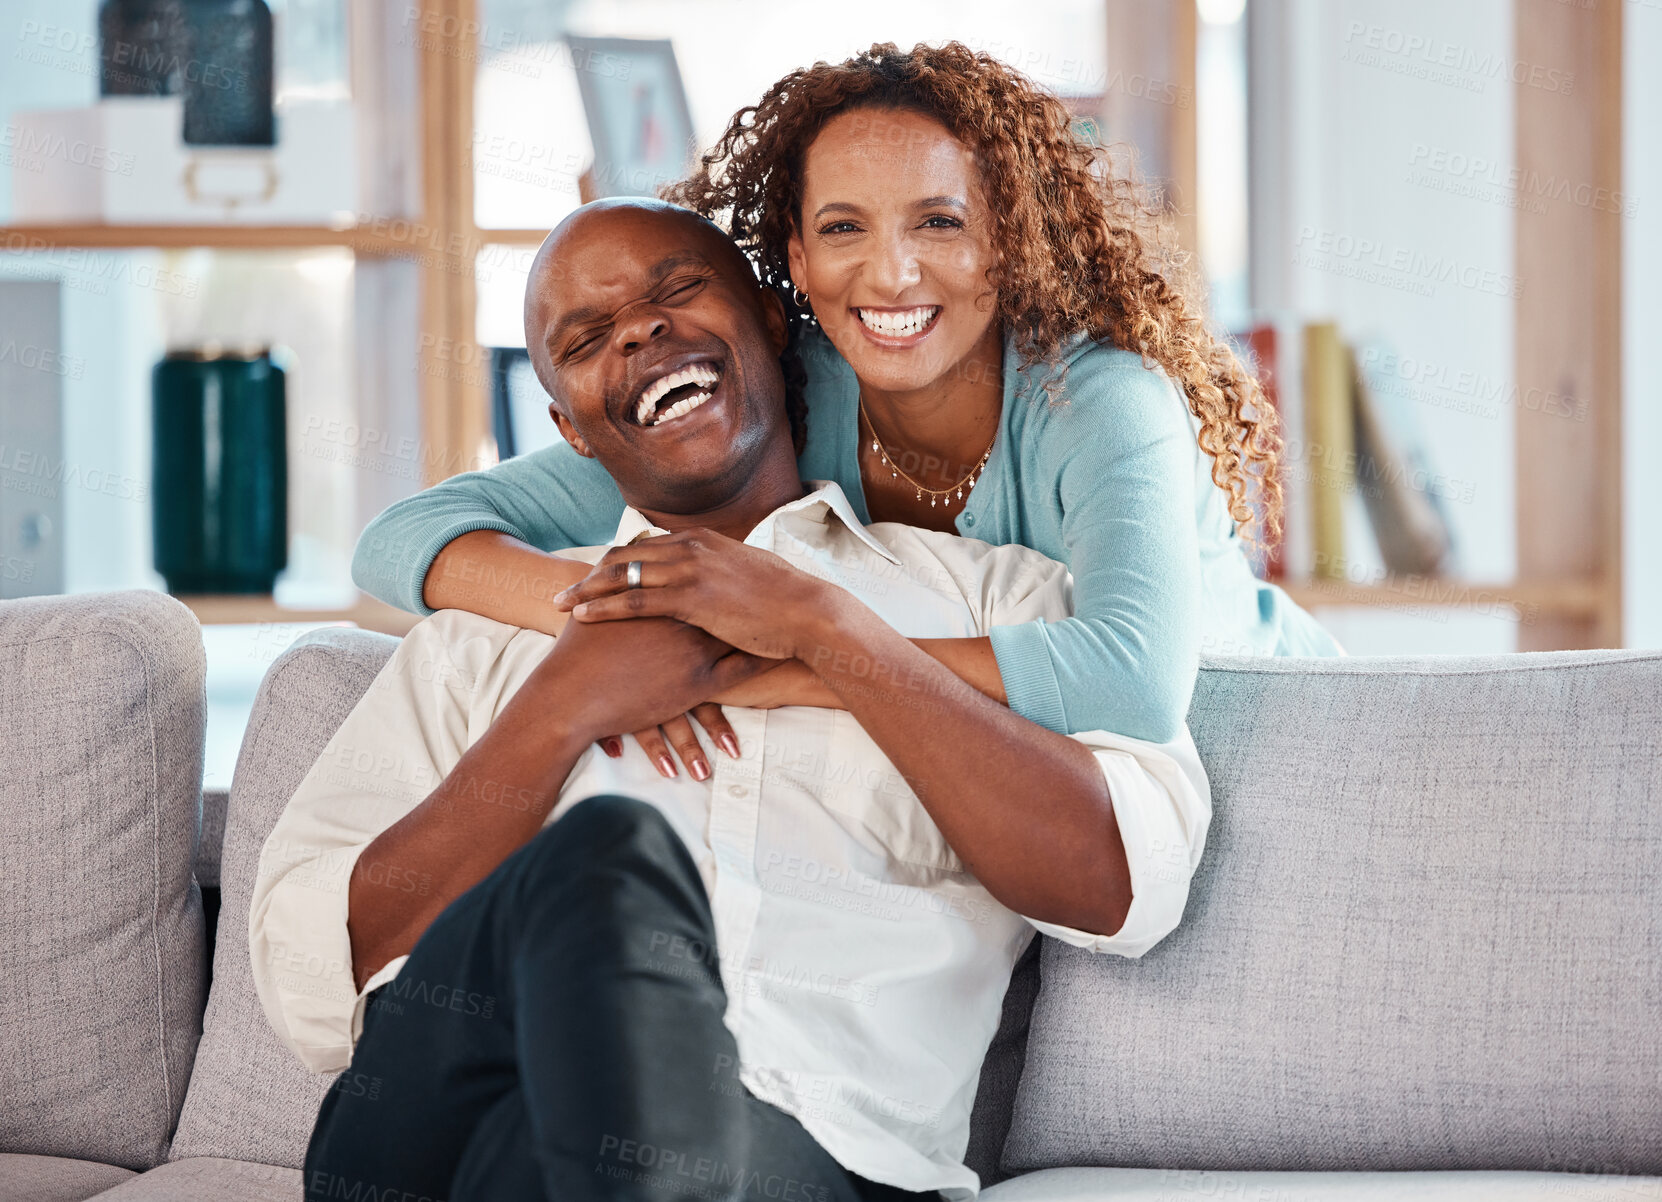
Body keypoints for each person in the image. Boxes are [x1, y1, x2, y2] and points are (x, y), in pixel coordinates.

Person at [251, 198, 1210, 1202]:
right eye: (587, 339)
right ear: (568, 426)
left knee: (613, 1130)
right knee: (599, 864)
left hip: (808, 1159)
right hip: (450, 1135)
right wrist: (556, 711)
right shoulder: (476, 644)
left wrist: (833, 633)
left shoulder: (995, 602)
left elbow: (1122, 884)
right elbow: (306, 975)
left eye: (677, 290)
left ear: (770, 318)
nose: (638, 329)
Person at [348, 41, 1340, 781]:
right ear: (798, 257)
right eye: (843, 229)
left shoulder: (1097, 401)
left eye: (939, 223)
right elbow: (403, 538)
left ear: (1007, 242)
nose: (891, 271)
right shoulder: (783, 392)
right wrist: (621, 618)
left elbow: (1129, 679)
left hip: (1284, 741)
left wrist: (762, 659)